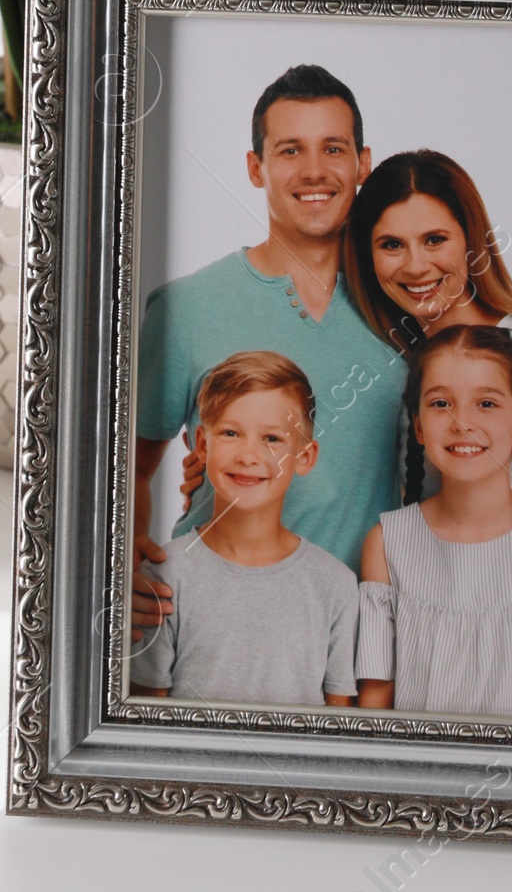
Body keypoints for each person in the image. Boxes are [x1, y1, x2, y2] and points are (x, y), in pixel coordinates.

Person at [133, 65, 405, 620]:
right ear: (256, 168)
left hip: (366, 632)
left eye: (333, 148)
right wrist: (122, 565)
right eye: (289, 151)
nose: (313, 171)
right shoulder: (187, 309)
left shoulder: (405, 304)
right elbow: (128, 468)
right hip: (215, 620)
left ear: (363, 164)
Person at [343, 149, 512, 554]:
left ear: (471, 238)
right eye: (392, 245)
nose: (415, 266)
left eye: (435, 240)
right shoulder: (392, 370)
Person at [356, 326, 512, 719]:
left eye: (486, 404)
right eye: (440, 404)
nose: (461, 422)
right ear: (417, 426)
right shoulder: (387, 543)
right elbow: (374, 704)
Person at [129, 351, 358, 709]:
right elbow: (147, 716)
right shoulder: (165, 574)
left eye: (272, 439)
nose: (249, 455)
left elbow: (337, 718)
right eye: (231, 433)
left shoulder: (335, 585)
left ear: (304, 457)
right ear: (203, 444)